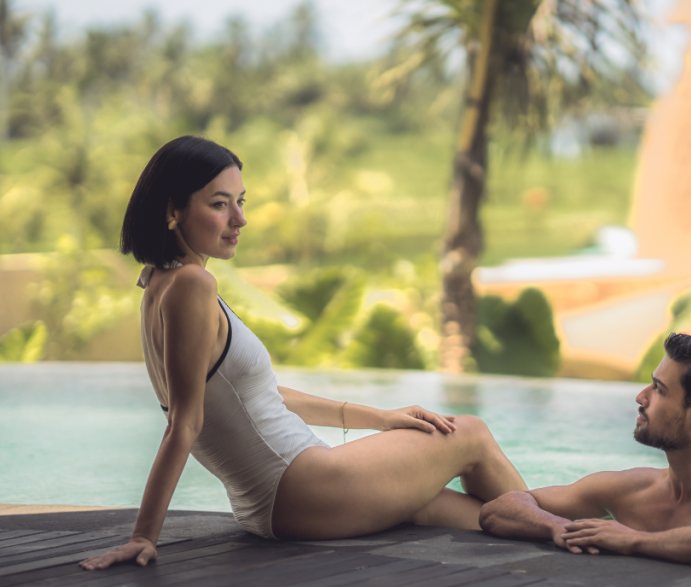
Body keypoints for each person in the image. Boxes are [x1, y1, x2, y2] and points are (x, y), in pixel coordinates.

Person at [80, 136, 527, 571]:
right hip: (302, 487)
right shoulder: (193, 286)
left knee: (477, 515)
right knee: (469, 433)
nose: (239, 219)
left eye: (241, 201)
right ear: (172, 210)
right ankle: (566, 520)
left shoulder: (158, 283)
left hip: (272, 506)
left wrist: (381, 417)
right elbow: (185, 422)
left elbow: (252, 396)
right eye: (219, 204)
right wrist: (143, 536)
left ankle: (569, 525)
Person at [480, 333, 691, 567]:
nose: (641, 397)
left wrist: (633, 540)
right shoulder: (631, 488)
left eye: (659, 390)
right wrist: (559, 528)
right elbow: (499, 510)